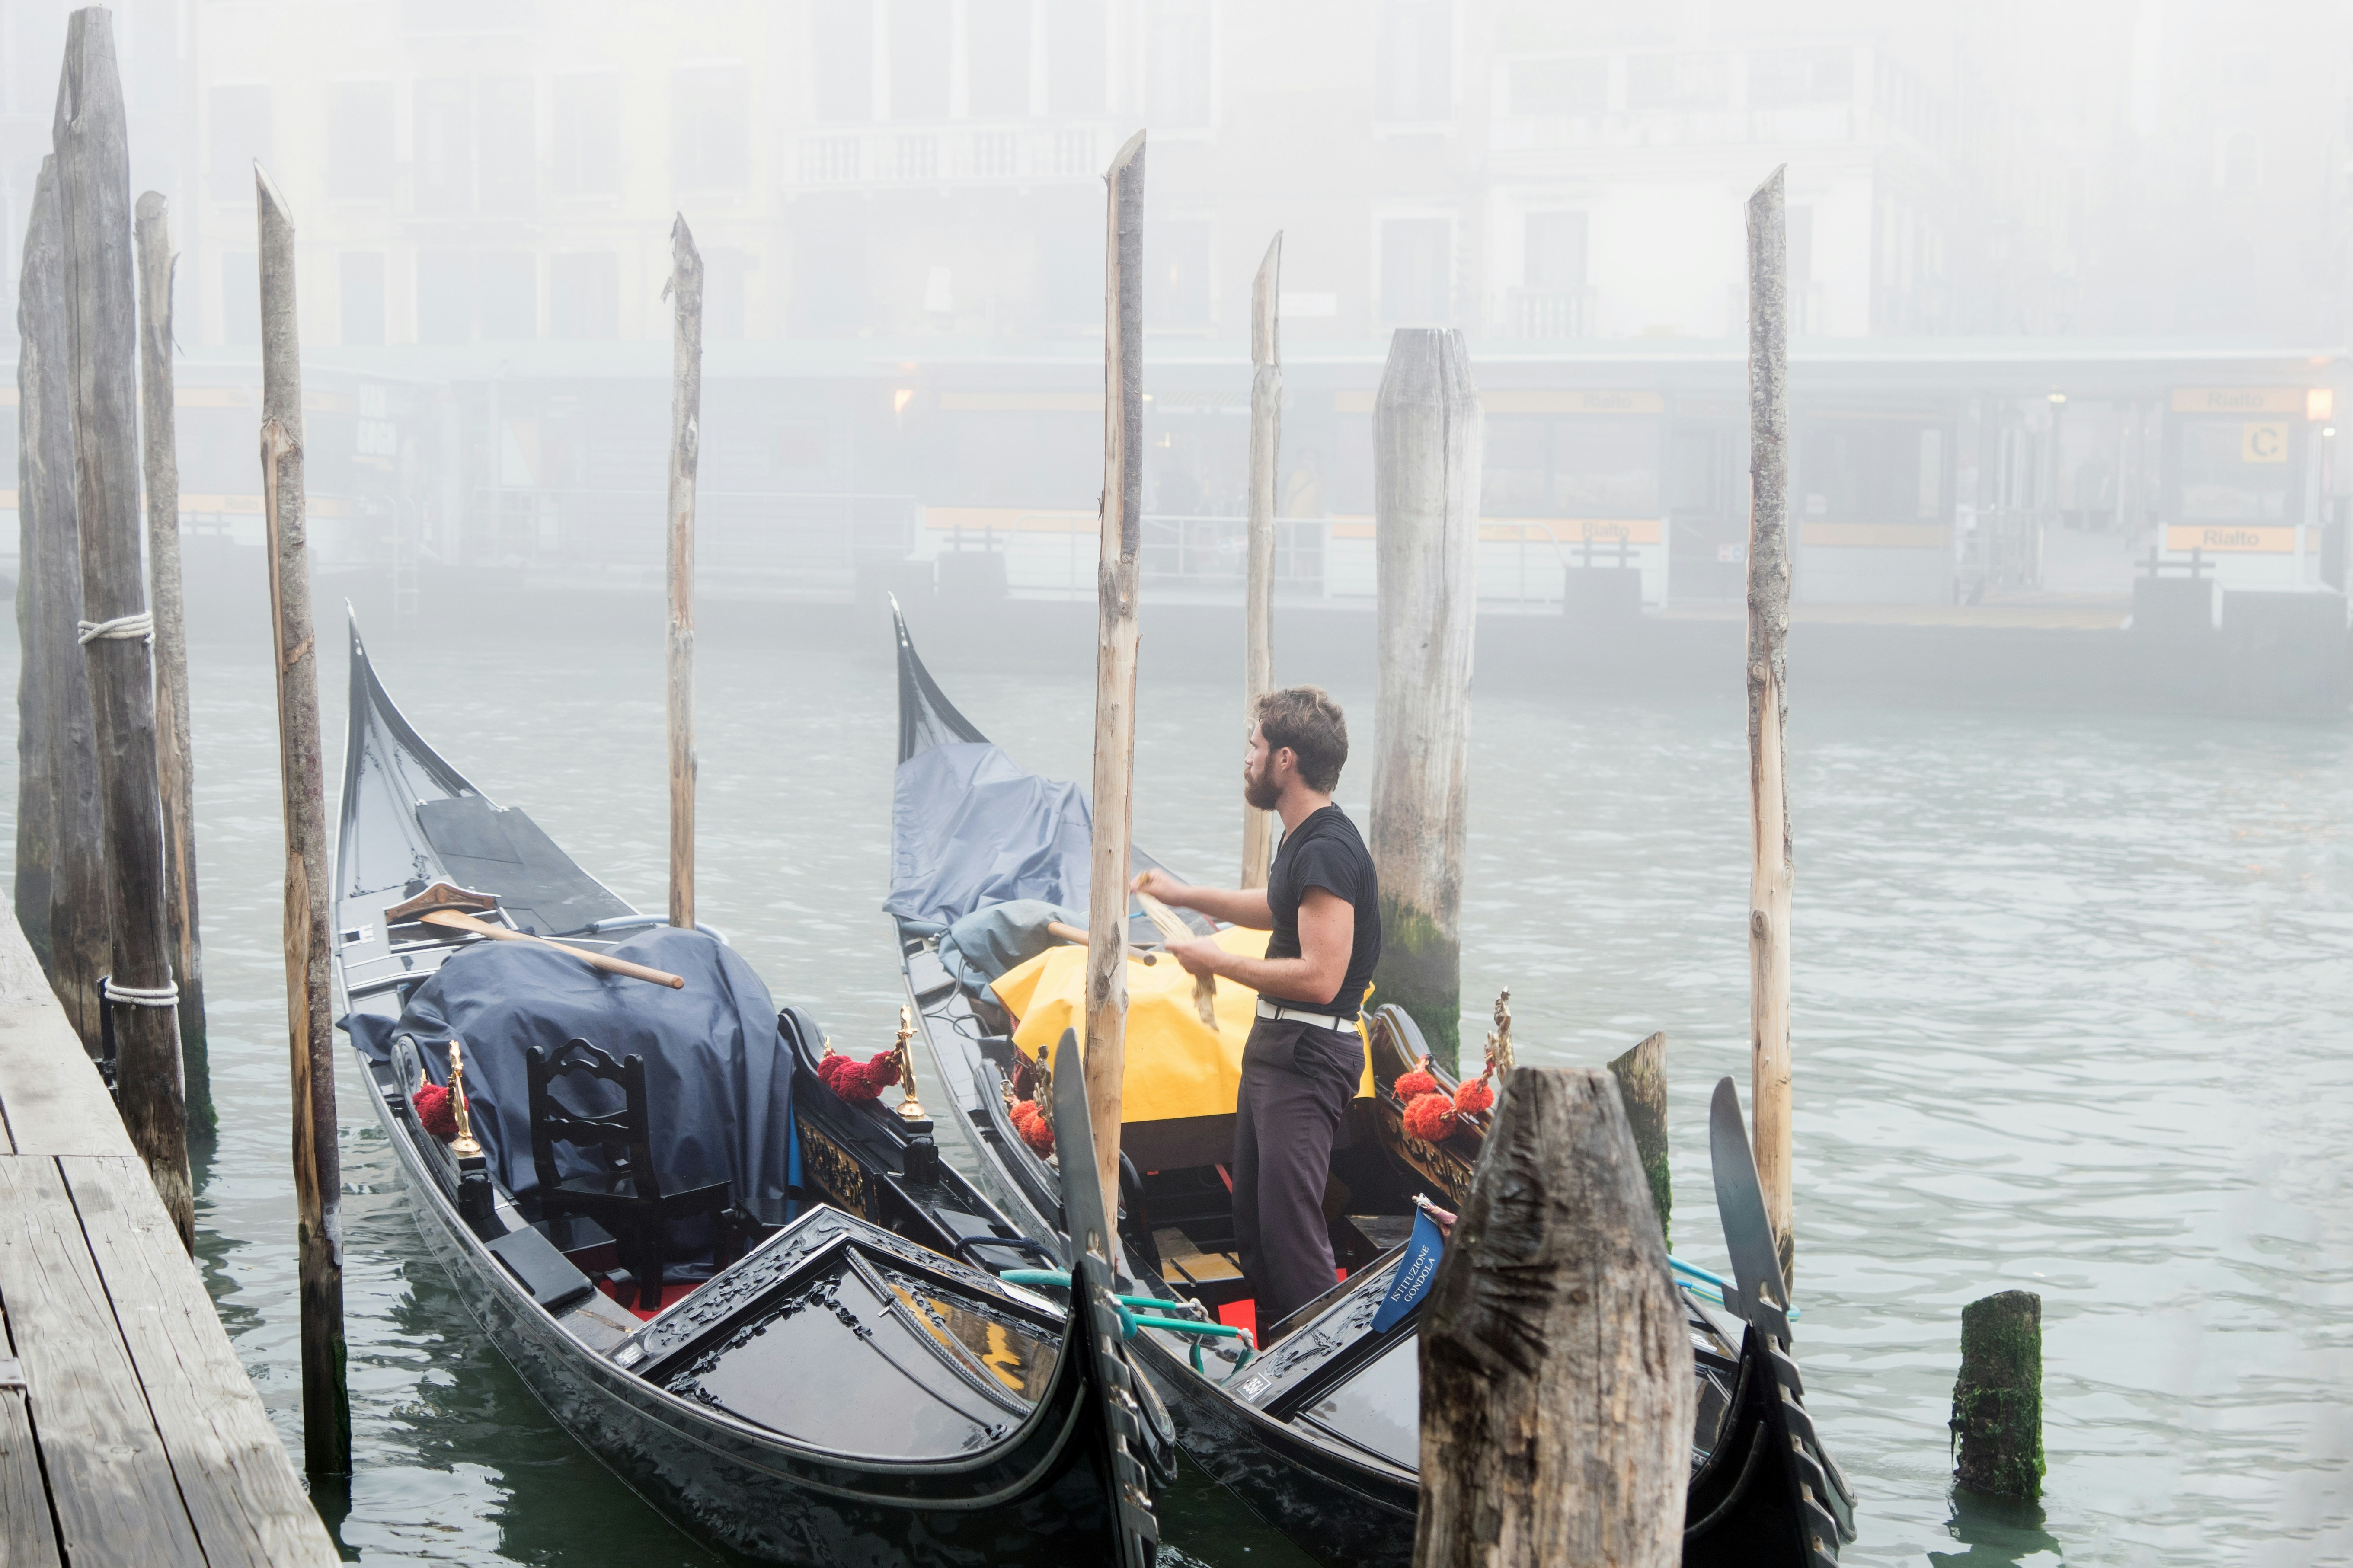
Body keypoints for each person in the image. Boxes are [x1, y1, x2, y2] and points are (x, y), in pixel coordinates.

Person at [1138, 686, 1381, 1330]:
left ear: (1285, 760)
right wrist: (1186, 895)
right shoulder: (1304, 840)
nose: (1245, 758)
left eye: (1253, 745)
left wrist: (1210, 959)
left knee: (1291, 1230)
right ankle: (1277, 1356)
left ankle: (1317, 1385)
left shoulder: (1328, 847)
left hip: (1306, 1053)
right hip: (1279, 1051)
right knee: (1254, 1220)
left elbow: (1321, 978)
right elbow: (1278, 907)